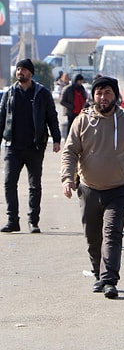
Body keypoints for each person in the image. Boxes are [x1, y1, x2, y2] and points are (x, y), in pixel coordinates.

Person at [60, 76, 124, 299]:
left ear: (116, 96)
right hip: (89, 188)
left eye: (108, 93)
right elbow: (70, 151)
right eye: (99, 93)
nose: (103, 97)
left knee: (111, 233)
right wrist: (67, 178)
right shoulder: (82, 121)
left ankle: (109, 279)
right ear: (94, 96)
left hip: (119, 190)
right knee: (92, 237)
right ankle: (98, 273)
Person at [0, 59, 62, 234]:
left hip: (35, 147)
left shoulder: (42, 93)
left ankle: (33, 221)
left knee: (34, 185)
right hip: (13, 147)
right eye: (18, 69)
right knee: (9, 183)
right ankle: (12, 220)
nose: (20, 72)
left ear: (31, 73)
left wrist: (56, 139)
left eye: (24, 70)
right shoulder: (10, 93)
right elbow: (1, 117)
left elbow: (52, 116)